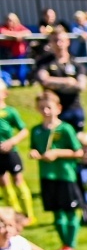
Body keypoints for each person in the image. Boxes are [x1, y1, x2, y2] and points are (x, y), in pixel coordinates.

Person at [31, 89, 85, 250]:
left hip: (65, 175)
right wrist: (33, 153)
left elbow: (78, 152)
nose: (45, 111)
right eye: (41, 108)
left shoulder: (66, 129)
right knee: (56, 214)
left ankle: (71, 245)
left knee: (69, 212)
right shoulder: (36, 130)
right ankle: (63, 245)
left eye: (48, 107)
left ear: (58, 108)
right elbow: (34, 147)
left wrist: (58, 153)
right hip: (47, 175)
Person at [37, 29, 87, 132]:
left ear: (68, 41)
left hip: (74, 107)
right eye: (55, 40)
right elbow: (44, 80)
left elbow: (81, 86)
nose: (59, 44)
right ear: (51, 42)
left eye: (61, 40)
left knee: (78, 140)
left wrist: (54, 83)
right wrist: (67, 81)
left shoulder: (76, 64)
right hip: (54, 110)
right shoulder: (44, 63)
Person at [0, 79, 34, 224]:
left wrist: (12, 141)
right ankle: (13, 216)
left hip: (10, 152)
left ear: (5, 94)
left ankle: (29, 214)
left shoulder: (10, 112)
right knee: (3, 182)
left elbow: (24, 130)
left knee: (18, 180)